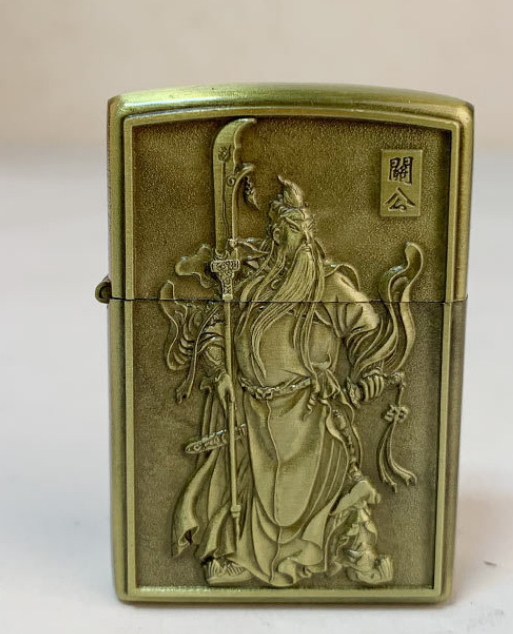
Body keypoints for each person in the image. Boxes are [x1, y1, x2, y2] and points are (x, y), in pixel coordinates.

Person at [161, 177, 420, 587]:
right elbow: (216, 329)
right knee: (242, 484)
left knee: (334, 481)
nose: (287, 240)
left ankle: (357, 554)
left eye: (296, 231)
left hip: (308, 410)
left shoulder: (327, 284)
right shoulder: (251, 284)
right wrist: (220, 373)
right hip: (251, 408)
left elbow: (368, 328)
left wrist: (368, 373)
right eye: (281, 231)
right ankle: (237, 556)